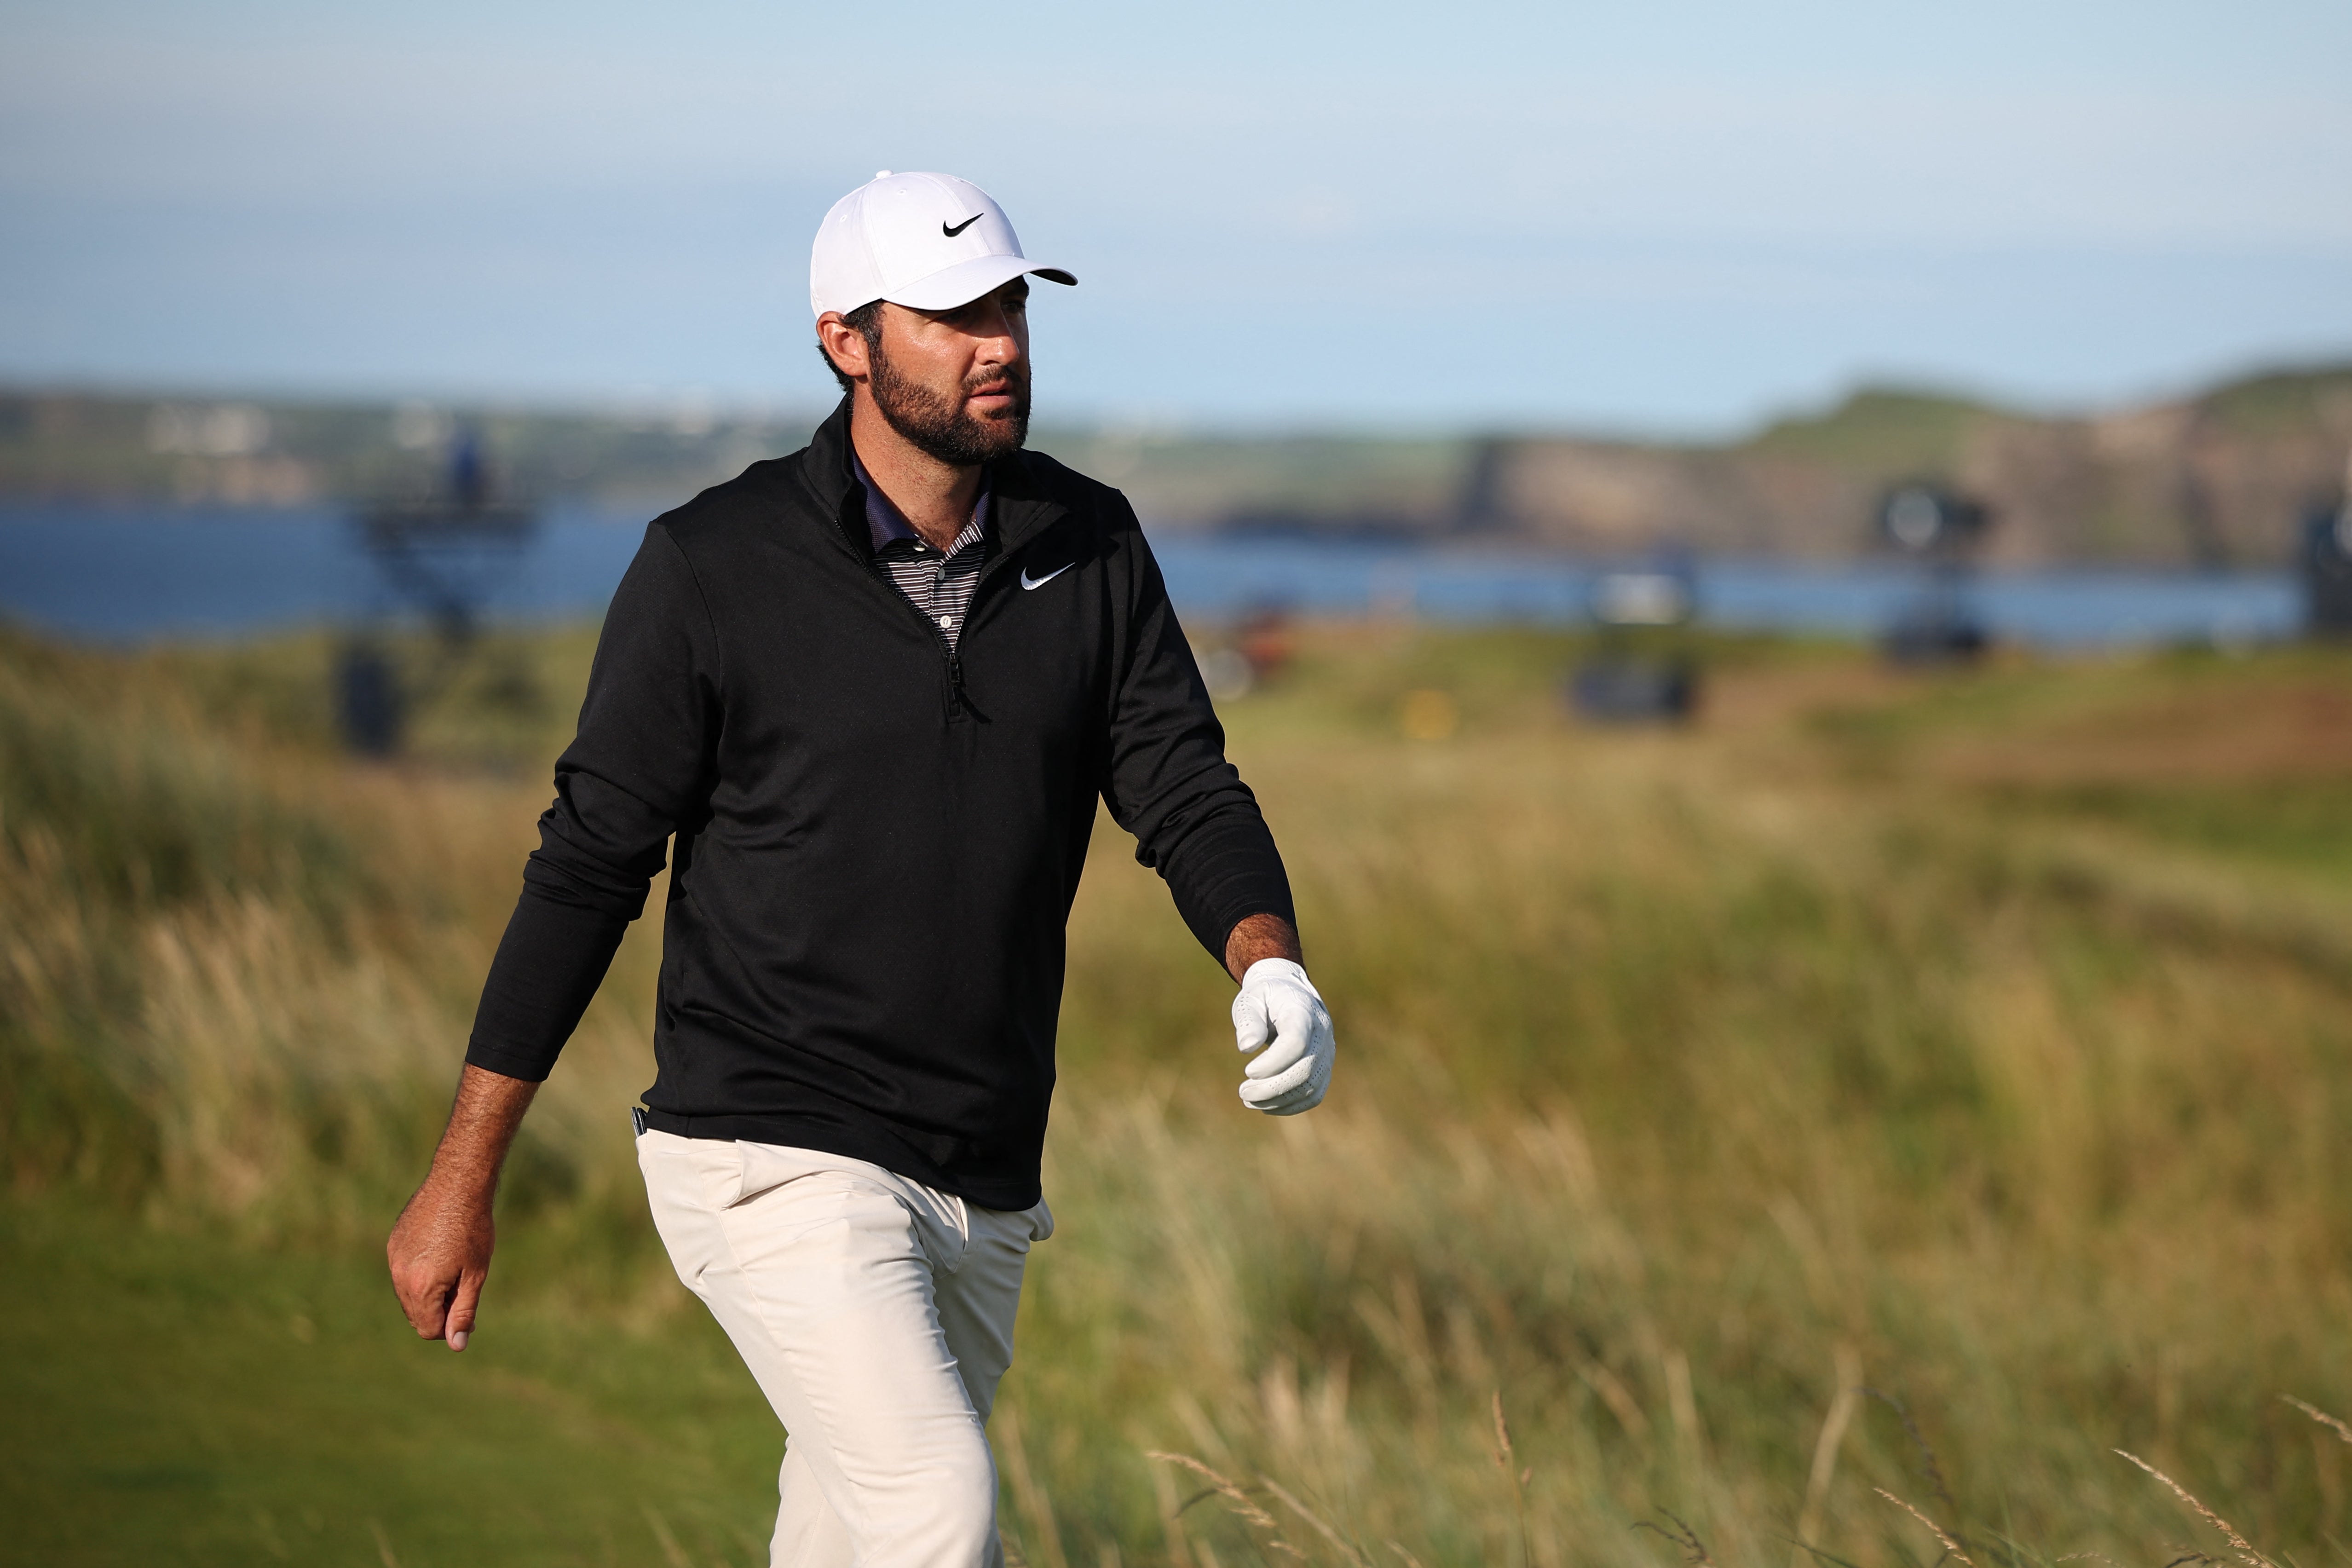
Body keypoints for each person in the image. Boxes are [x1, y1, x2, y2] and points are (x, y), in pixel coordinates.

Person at [385, 170, 1337, 1568]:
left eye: (1010, 302)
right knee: (937, 1515)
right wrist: (464, 1174)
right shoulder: (711, 566)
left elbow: (1185, 785)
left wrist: (1272, 958)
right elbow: (588, 869)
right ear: (846, 340)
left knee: (848, 1540)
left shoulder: (1092, 543)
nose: (999, 342)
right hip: (767, 1148)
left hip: (985, 1172)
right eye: (953, 314)